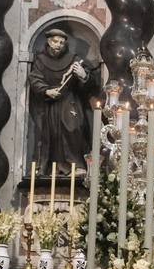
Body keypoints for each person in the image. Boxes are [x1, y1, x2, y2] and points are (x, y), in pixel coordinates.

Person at [27, 26, 101, 176]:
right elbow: (34, 79)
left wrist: (83, 75)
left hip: (70, 101)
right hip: (49, 104)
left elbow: (91, 84)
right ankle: (51, 168)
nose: (58, 45)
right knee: (50, 134)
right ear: (48, 42)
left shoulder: (74, 59)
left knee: (73, 128)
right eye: (55, 42)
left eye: (61, 42)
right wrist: (47, 90)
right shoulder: (41, 60)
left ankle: (76, 165)